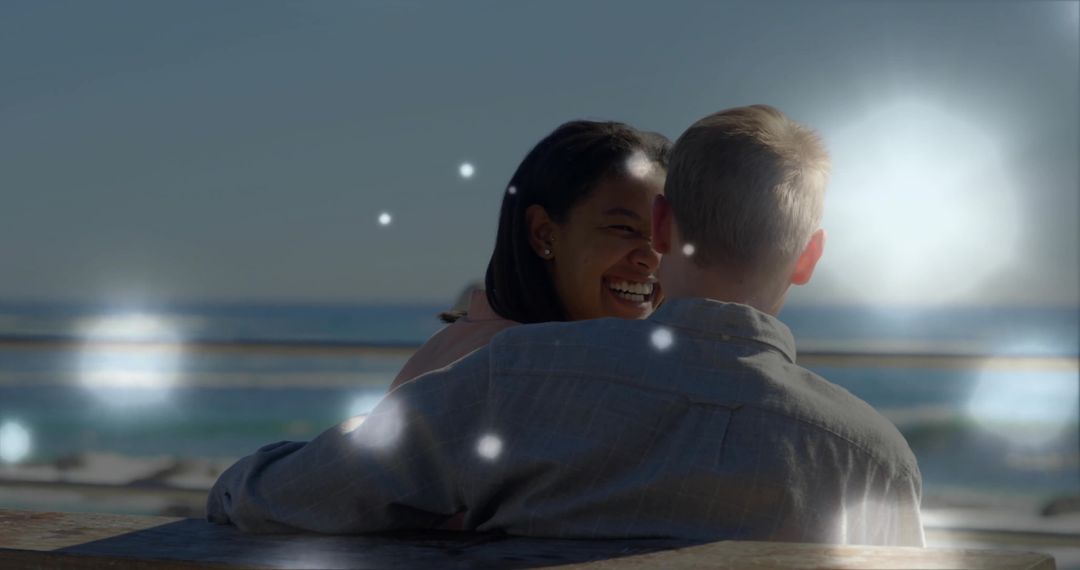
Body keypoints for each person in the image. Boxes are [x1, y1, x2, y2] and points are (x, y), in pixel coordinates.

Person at [207, 105, 925, 546]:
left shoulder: (514, 380)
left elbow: (283, 498)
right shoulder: (875, 460)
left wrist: (242, 481)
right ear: (809, 258)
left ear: (663, 226)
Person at [389, 121, 671, 391]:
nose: (652, 257)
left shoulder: (468, 344)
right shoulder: (532, 370)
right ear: (543, 233)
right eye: (623, 228)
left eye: (667, 235)